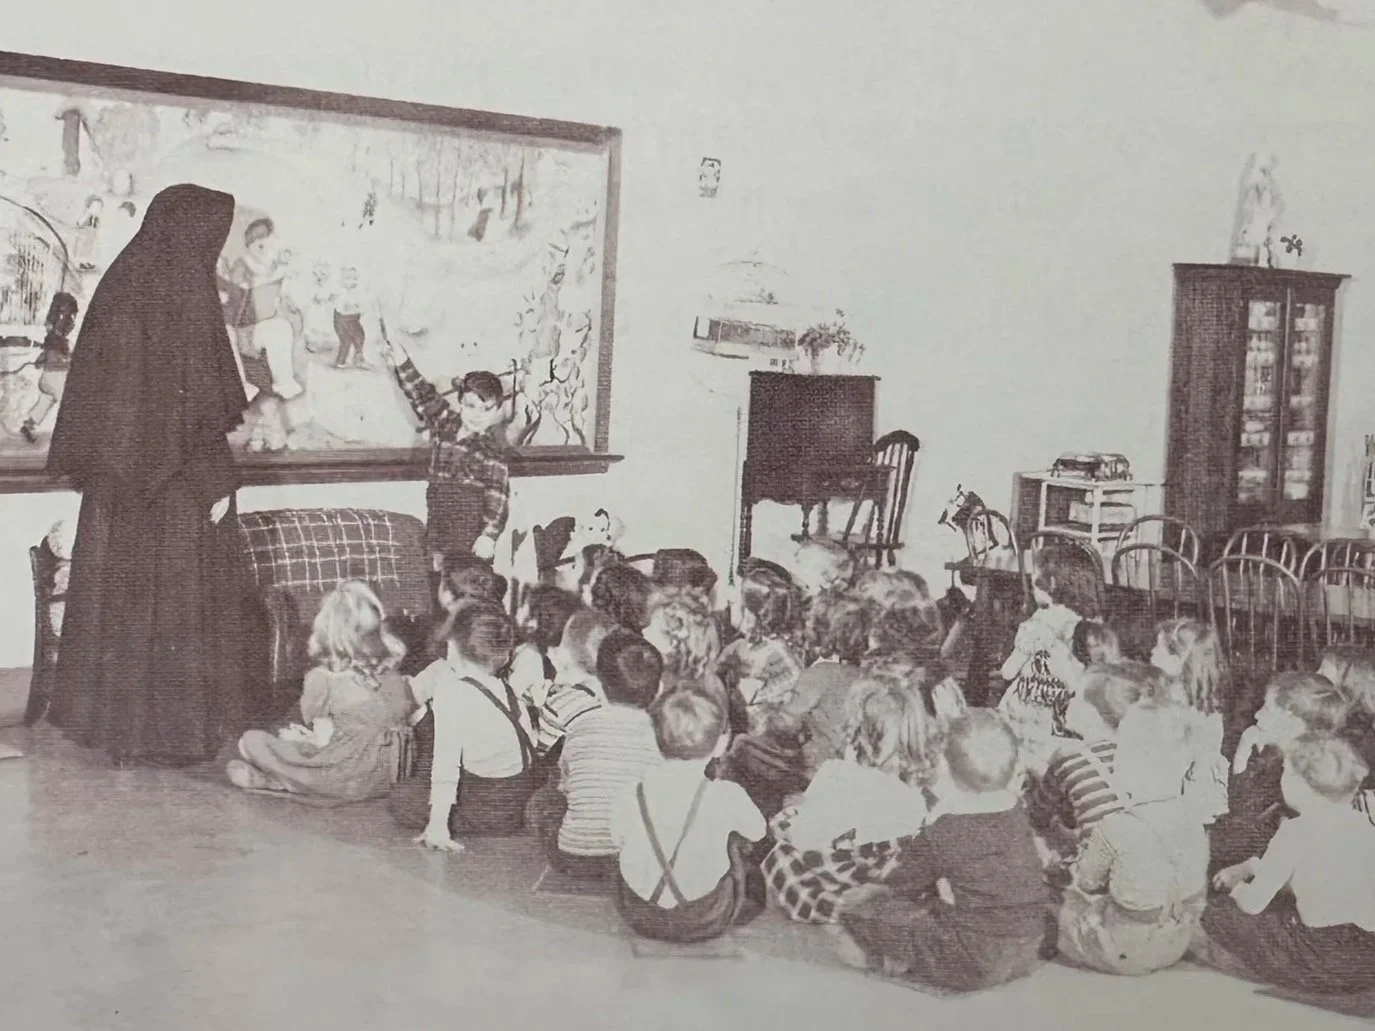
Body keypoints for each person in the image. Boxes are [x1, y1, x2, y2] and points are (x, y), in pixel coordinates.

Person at [45, 183, 258, 766]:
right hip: (173, 493)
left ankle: (117, 733)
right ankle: (167, 737)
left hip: (117, 491)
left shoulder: (122, 281)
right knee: (172, 607)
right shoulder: (185, 290)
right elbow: (196, 412)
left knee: (121, 602)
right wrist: (218, 487)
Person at [833, 709, 1050, 992]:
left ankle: (888, 959)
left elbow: (900, 884)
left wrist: (868, 893)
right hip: (1029, 945)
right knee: (944, 906)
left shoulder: (944, 829)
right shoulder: (1017, 810)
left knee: (860, 907)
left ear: (946, 768)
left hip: (972, 960)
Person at [1196, 734, 1375, 995]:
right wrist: (1253, 867)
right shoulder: (1366, 827)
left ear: (1299, 785)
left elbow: (1252, 904)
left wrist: (1235, 890)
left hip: (1323, 957)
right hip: (1368, 954)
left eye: (1284, 772)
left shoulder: (1295, 831)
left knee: (1218, 914)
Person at [762, 672, 940, 924]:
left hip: (840, 870)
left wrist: (791, 824)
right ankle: (879, 910)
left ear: (855, 731)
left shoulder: (837, 774)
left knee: (779, 855)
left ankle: (840, 912)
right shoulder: (916, 785)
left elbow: (806, 837)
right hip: (890, 871)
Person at [1055, 698, 1209, 975]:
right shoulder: (1194, 818)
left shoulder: (1114, 826)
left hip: (1125, 951)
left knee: (1061, 904)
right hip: (1178, 941)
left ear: (1128, 769)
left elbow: (1088, 883)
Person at [228, 582, 414, 800]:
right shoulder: (392, 672)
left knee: (250, 741)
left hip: (347, 775)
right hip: (392, 776)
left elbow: (314, 723)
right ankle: (282, 781)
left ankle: (280, 781)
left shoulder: (322, 678)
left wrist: (301, 738)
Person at [610, 689, 766, 943]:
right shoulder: (727, 793)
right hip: (706, 918)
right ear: (720, 745)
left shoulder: (631, 790)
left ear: (651, 741)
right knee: (738, 842)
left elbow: (616, 838)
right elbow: (758, 832)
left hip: (638, 914)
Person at [391, 604, 536, 846]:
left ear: (455, 646)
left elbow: (446, 764)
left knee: (402, 799)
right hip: (519, 794)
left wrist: (437, 825)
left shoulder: (453, 690)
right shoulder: (503, 686)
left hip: (490, 807)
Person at [525, 629, 665, 880]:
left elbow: (565, 787)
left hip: (576, 860)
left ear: (599, 684)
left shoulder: (580, 728)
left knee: (543, 800)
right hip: (639, 862)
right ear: (659, 689)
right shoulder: (664, 735)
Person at [380, 326, 512, 573]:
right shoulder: (445, 422)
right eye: (472, 406)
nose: (478, 415)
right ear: (460, 402)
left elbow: (498, 499)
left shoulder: (492, 452)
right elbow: (421, 393)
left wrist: (488, 536)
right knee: (436, 583)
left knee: (464, 587)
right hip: (437, 524)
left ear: (497, 410)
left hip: (468, 534)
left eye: (487, 409)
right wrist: (401, 359)